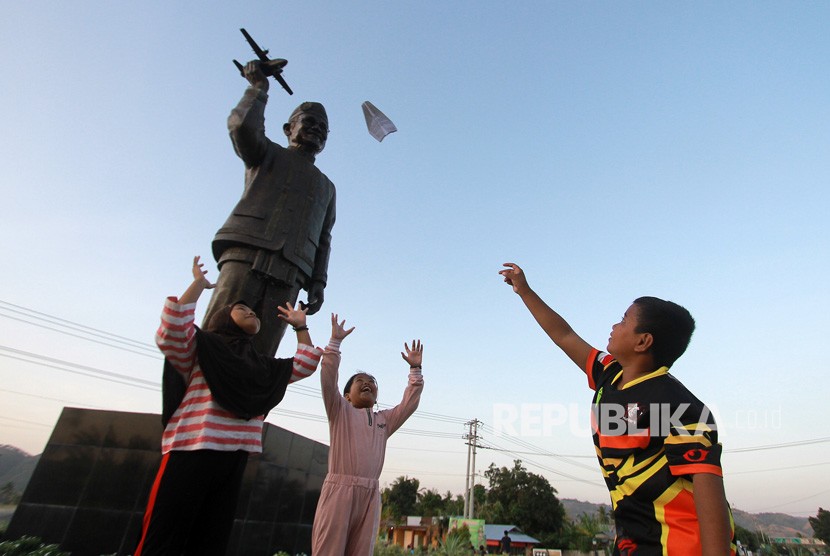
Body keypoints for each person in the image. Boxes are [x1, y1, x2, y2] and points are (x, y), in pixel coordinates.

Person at [500, 263, 734, 555]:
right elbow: (565, 336)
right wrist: (525, 291)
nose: (614, 325)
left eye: (624, 320)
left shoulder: (680, 406)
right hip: (632, 541)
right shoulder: (609, 374)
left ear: (643, 341)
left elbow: (708, 491)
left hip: (681, 546)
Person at [134, 256, 323, 555]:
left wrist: (301, 327)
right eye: (241, 309)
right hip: (191, 450)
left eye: (252, 311)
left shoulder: (260, 366)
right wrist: (198, 285)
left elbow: (305, 363)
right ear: (223, 318)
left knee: (211, 538)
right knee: (163, 534)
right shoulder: (201, 349)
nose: (250, 311)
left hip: (233, 458)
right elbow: (172, 327)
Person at [203, 59, 336, 358]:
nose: (317, 130)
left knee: (262, 352)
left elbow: (325, 238)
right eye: (309, 123)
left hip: (291, 272)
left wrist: (318, 282)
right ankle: (194, 400)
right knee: (217, 335)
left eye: (323, 129)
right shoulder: (267, 153)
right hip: (246, 254)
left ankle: (248, 405)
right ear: (289, 129)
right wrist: (258, 89)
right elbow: (242, 127)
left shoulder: (327, 187)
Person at [311, 316, 424, 555]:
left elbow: (409, 404)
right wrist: (334, 344)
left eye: (372, 382)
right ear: (347, 395)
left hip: (370, 495)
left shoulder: (384, 420)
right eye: (360, 381)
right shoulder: (339, 410)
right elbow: (328, 379)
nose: (367, 384)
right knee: (328, 550)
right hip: (339, 490)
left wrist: (415, 369)